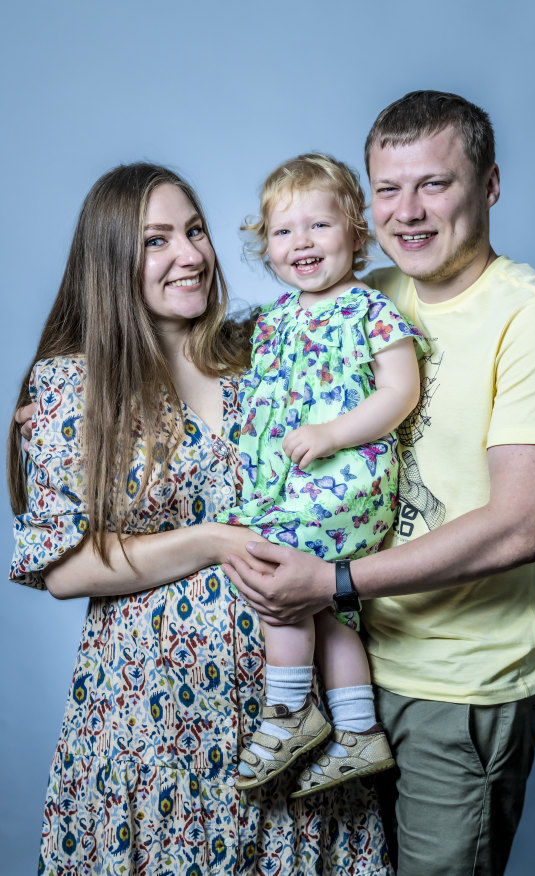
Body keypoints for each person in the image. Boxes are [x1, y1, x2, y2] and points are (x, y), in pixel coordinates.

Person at [222, 91, 535, 875]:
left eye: (435, 184)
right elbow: (225, 354)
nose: (408, 212)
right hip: (350, 671)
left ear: (488, 185)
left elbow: (520, 526)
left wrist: (331, 579)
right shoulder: (365, 292)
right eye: (388, 188)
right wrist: (73, 382)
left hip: (458, 690)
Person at [8, 162, 393, 875]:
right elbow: (65, 571)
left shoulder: (262, 348)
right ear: (111, 260)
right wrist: (214, 540)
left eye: (194, 231)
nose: (189, 254)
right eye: (156, 241)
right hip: (152, 728)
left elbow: (363, 317)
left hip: (295, 730)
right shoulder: (71, 383)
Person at [217, 153, 426, 796]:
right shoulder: (272, 319)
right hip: (296, 481)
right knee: (326, 606)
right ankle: (359, 731)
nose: (301, 243)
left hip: (349, 477)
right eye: (284, 232)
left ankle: (289, 710)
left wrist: (334, 433)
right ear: (266, 246)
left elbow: (401, 392)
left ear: (356, 235)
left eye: (319, 227)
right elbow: (201, 362)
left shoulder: (368, 309)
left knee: (274, 569)